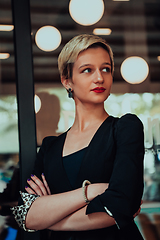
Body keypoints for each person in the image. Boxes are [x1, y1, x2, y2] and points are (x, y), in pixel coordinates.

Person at [12, 34, 145, 240]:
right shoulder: (50, 147)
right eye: (87, 70)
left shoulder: (125, 128)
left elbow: (122, 206)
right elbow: (25, 216)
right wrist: (89, 192)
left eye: (106, 69)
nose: (99, 77)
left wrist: (50, 218)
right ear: (67, 81)